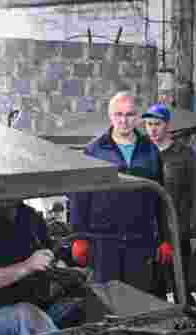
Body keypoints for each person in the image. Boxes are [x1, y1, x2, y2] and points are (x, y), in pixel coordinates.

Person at [68, 91, 165, 295]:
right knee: (105, 300)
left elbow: (160, 198)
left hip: (140, 239)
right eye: (118, 114)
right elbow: (80, 197)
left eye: (130, 114)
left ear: (138, 117)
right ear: (110, 116)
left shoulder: (151, 151)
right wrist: (79, 237)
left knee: (138, 298)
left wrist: (165, 238)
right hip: (103, 241)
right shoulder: (93, 151)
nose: (124, 120)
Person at [0, 201, 60, 335]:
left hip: (38, 303)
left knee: (82, 298)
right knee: (26, 314)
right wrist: (27, 266)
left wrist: (63, 272)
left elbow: (48, 253)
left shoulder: (30, 216)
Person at [142, 102, 196, 306]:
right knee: (153, 285)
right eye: (148, 124)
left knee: (180, 285)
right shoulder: (142, 153)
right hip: (149, 231)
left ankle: (190, 326)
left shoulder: (184, 155)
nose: (152, 128)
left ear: (167, 125)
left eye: (157, 124)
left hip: (178, 231)